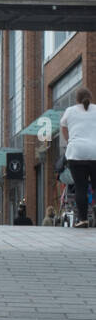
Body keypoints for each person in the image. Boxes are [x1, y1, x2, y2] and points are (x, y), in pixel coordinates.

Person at [61, 87, 96, 228]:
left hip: (76, 153)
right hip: (94, 152)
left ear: (76, 99)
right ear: (90, 97)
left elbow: (63, 126)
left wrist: (69, 140)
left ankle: (83, 220)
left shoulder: (70, 111)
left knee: (81, 188)